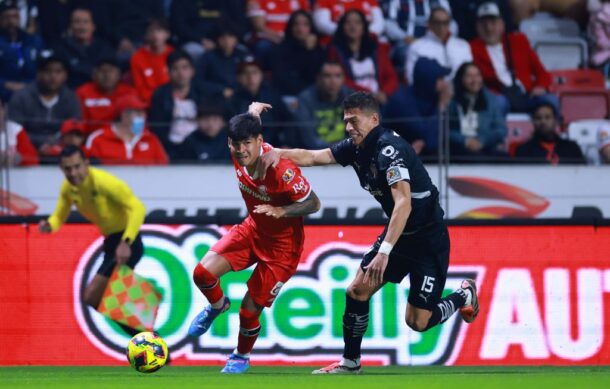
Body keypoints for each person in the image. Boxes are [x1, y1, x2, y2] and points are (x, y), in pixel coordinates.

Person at [257, 92, 479, 374]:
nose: (349, 127)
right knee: (357, 290)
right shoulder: (356, 148)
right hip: (400, 235)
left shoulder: (389, 149)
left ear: (374, 119)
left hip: (427, 239)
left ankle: (463, 295)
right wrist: (277, 153)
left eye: (354, 120)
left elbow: (403, 203)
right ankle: (351, 364)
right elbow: (315, 156)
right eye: (346, 121)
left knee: (418, 322)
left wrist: (384, 252)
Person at [187, 102, 321, 374]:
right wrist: (254, 110)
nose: (241, 150)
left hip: (283, 248)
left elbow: (314, 204)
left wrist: (281, 210)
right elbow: (249, 125)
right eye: (236, 144)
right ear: (229, 143)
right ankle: (217, 305)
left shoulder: (282, 171)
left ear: (260, 142)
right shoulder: (239, 154)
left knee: (249, 310)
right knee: (202, 274)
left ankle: (241, 356)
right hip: (252, 230)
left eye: (247, 143)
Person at [39, 145, 146, 337]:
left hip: (127, 241)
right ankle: (149, 335)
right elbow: (59, 216)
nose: (73, 173)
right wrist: (49, 225)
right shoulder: (69, 189)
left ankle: (148, 338)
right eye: (67, 169)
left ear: (86, 164)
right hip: (111, 243)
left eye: (77, 166)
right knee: (98, 298)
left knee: (93, 296)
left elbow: (138, 208)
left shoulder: (104, 182)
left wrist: (126, 242)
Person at [469, 2, 555, 114]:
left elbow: (542, 73)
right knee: (498, 103)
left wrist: (540, 87)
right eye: (484, 24)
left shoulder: (519, 41)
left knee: (551, 100)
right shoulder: (471, 48)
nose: (489, 28)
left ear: (502, 24)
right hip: (498, 96)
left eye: (493, 23)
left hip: (527, 94)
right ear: (477, 27)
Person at [148, 50, 224, 159]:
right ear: (168, 72)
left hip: (198, 145)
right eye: (175, 68)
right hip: (168, 148)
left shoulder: (203, 92)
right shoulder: (160, 95)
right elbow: (157, 128)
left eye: (184, 68)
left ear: (192, 71)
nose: (180, 73)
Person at [7, 53, 81, 155]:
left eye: (58, 72)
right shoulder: (21, 97)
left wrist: (53, 145)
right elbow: (14, 130)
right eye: (48, 71)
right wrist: (40, 143)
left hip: (61, 151)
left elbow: (73, 130)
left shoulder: (71, 98)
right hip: (25, 150)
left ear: (65, 75)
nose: (53, 76)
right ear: (39, 74)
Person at [328, 10, 399, 105]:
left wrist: (385, 93)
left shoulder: (377, 48)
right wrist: (368, 94)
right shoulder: (334, 51)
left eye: (357, 23)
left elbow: (391, 76)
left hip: (381, 97)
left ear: (364, 27)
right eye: (348, 23)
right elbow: (342, 81)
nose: (353, 27)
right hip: (352, 99)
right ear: (342, 27)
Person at [384, 57, 452, 155]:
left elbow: (437, 140)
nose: (445, 84)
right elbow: (423, 133)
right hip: (392, 156)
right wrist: (441, 108)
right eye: (440, 79)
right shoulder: (402, 100)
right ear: (428, 80)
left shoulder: (434, 96)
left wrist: (425, 142)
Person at [86, 94, 169, 165]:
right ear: (124, 115)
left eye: (143, 113)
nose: (143, 117)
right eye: (138, 112)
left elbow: (166, 172)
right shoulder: (98, 139)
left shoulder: (151, 140)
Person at [448, 62, 507, 161]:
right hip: (459, 148)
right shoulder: (451, 100)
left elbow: (501, 130)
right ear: (461, 79)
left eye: (477, 75)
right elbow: (444, 131)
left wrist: (481, 141)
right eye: (469, 76)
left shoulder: (491, 100)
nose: (474, 80)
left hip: (485, 147)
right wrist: (465, 141)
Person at [229, 58, 295, 147]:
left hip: (273, 148)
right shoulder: (233, 101)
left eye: (254, 72)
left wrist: (286, 144)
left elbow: (288, 123)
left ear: (261, 75)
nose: (251, 77)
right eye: (245, 73)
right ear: (239, 77)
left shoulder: (273, 98)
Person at [51, 8, 115, 88]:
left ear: (93, 26)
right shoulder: (61, 48)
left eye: (85, 22)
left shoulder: (104, 47)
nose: (81, 27)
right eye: (77, 22)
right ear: (70, 26)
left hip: (99, 93)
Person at [295, 61, 353, 149]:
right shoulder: (306, 99)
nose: (333, 81)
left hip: (345, 153)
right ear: (318, 79)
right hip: (316, 154)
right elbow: (309, 140)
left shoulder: (351, 96)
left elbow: (357, 135)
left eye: (337, 76)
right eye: (327, 76)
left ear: (343, 79)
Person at [405, 6, 472, 82]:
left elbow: (471, 72)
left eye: (445, 23)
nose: (441, 27)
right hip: (431, 91)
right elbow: (411, 78)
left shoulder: (463, 45)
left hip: (461, 91)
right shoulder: (416, 47)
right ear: (429, 23)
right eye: (437, 23)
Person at [269, 10, 326, 97]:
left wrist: (310, 51)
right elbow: (282, 80)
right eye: (296, 24)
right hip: (289, 96)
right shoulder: (279, 50)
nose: (300, 28)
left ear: (311, 28)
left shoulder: (317, 49)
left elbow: (316, 77)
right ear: (290, 27)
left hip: (315, 97)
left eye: (305, 24)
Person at [76, 58, 138, 134]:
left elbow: (137, 123)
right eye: (102, 71)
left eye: (111, 71)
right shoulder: (83, 92)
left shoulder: (129, 93)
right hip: (91, 138)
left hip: (123, 138)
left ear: (119, 74)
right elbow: (79, 123)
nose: (106, 75)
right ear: (94, 75)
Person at [0, 0, 44, 102]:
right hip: (3, 94)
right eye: (6, 17)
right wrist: (5, 84)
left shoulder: (33, 41)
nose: (11, 21)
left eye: (15, 16)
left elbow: (43, 68)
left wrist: (29, 85)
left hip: (32, 93)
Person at [514, 102, 586, 164]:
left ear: (556, 121)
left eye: (547, 117)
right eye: (538, 118)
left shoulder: (572, 148)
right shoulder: (524, 151)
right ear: (533, 122)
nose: (543, 121)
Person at [130, 19, 173, 104]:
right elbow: (140, 87)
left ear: (167, 34)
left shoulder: (174, 54)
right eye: (151, 31)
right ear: (145, 36)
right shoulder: (137, 57)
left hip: (171, 102)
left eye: (159, 31)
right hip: (147, 102)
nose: (155, 35)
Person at [314, 0, 385, 38]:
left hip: (367, 41)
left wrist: (362, 35)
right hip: (335, 42)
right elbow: (321, 24)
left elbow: (379, 23)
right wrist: (348, 33)